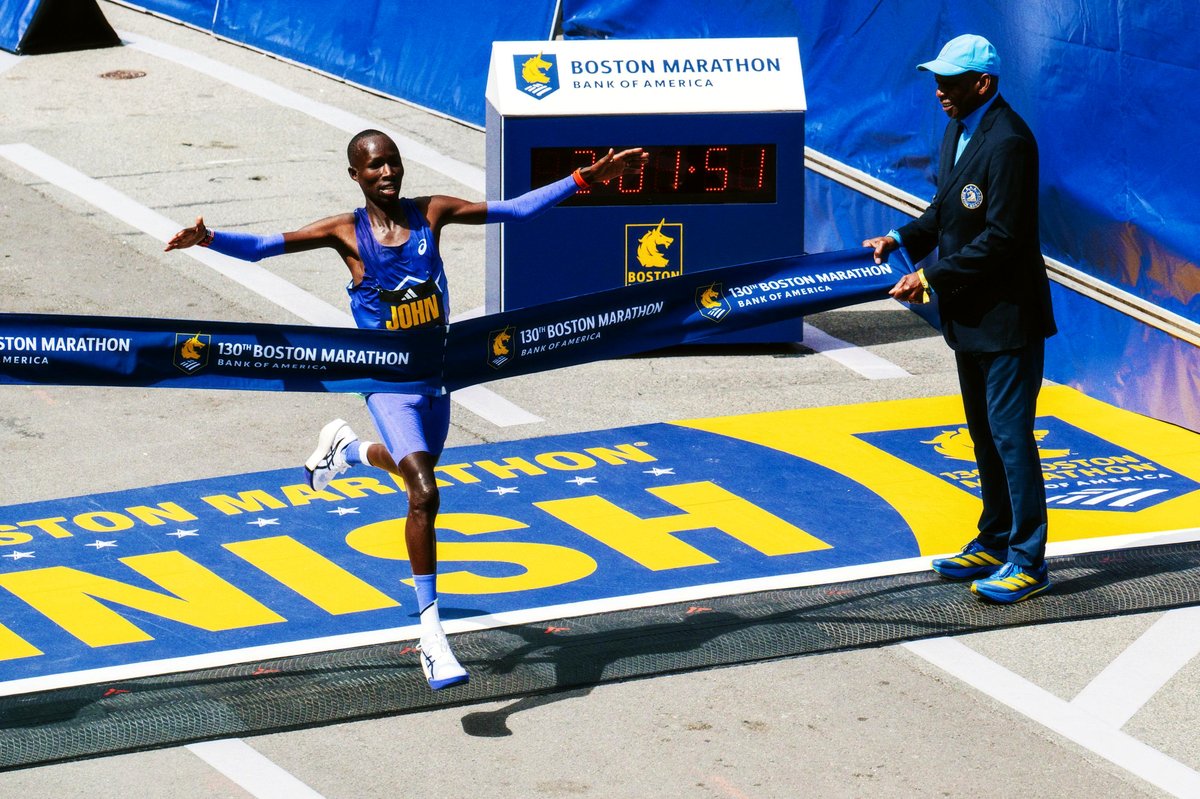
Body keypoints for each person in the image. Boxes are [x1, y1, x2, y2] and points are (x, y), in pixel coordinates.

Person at [166, 130, 647, 687]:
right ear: (355, 175)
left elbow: (514, 211)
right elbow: (266, 247)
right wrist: (209, 238)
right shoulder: (344, 232)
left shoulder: (432, 213)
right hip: (388, 383)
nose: (386, 172)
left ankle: (346, 450)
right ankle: (432, 637)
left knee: (412, 469)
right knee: (424, 492)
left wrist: (586, 178)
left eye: (392, 161)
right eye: (373, 166)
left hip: (436, 379)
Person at [862, 34, 1056, 604]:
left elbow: (1004, 237)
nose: (939, 91)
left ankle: (1027, 559)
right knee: (982, 435)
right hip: (970, 318)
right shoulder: (959, 129)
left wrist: (930, 276)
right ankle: (994, 540)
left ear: (984, 84)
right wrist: (902, 237)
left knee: (1010, 437)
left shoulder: (1011, 143)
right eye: (937, 80)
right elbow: (947, 210)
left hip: (1008, 320)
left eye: (950, 81)